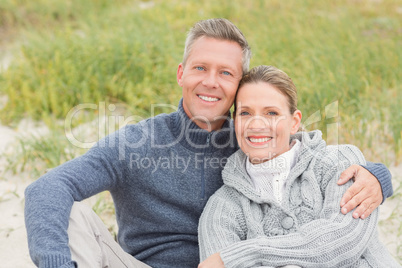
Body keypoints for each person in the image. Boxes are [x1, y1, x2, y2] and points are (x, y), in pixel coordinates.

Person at [24, 19, 393, 268]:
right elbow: (48, 188)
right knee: (69, 211)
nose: (211, 82)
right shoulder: (135, 142)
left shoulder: (251, 141)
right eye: (200, 68)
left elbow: (303, 152)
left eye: (226, 73)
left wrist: (376, 175)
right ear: (182, 74)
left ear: (238, 85)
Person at [198, 65, 399, 268]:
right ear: (234, 122)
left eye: (271, 113)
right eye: (245, 113)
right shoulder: (222, 208)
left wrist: (245, 253)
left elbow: (343, 240)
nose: (256, 124)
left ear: (294, 122)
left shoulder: (340, 162)